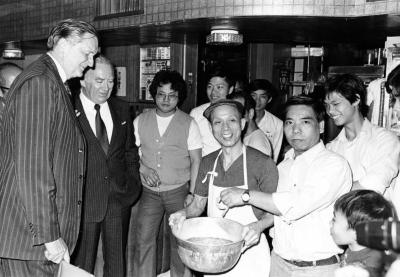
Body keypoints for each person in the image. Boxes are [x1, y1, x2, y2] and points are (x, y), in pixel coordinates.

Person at [0, 19, 98, 276]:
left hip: (36, 240)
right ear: (64, 44)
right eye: (87, 53)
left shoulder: (52, 81)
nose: (91, 63)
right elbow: (34, 167)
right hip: (30, 240)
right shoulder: (41, 83)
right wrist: (50, 235)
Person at [218, 96, 352, 277]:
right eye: (289, 122)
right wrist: (259, 225)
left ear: (320, 126)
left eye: (305, 122)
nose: (296, 129)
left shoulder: (334, 165)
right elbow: (277, 211)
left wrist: (245, 195)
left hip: (318, 268)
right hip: (279, 264)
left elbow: (295, 206)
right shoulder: (283, 166)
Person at [170, 99, 278, 277]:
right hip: (215, 254)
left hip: (251, 251)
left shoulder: (262, 163)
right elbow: (197, 205)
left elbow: (275, 211)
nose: (225, 129)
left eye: (232, 121)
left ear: (243, 123)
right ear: (211, 128)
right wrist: (182, 213)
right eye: (218, 122)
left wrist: (258, 226)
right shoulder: (207, 162)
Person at [71, 55, 141, 277]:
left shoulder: (121, 108)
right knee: (81, 268)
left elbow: (129, 151)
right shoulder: (66, 108)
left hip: (118, 200)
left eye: (111, 81)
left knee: (116, 266)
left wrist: (132, 185)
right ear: (82, 80)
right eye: (99, 81)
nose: (106, 87)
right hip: (83, 202)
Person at [133, 70, 202, 277]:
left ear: (179, 97)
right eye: (161, 94)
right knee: (143, 241)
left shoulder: (189, 123)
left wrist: (192, 193)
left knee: (179, 243)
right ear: (154, 94)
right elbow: (130, 155)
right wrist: (141, 168)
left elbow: (196, 159)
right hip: (149, 193)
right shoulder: (140, 120)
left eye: (172, 95)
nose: (166, 99)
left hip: (179, 192)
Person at [324, 74, 400, 194]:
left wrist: (333, 193)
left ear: (356, 100)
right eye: (327, 105)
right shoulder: (331, 148)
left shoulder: (386, 139)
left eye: (336, 104)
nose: (330, 111)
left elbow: (375, 183)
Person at [331, 190, 395, 277]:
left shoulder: (372, 262)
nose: (330, 223)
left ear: (356, 231)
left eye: (334, 220)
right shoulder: (353, 248)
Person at [190, 67, 234, 156]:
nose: (213, 92)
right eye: (210, 87)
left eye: (219, 87)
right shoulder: (196, 114)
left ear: (230, 90)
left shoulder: (237, 113)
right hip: (204, 166)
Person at [248, 79, 283, 162]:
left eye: (262, 97)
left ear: (269, 99)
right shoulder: (240, 119)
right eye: (254, 96)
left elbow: (275, 155)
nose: (257, 100)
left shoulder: (277, 124)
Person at [228, 90, 272, 156]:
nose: (234, 117)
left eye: (239, 112)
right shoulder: (244, 137)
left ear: (251, 113)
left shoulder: (258, 145)